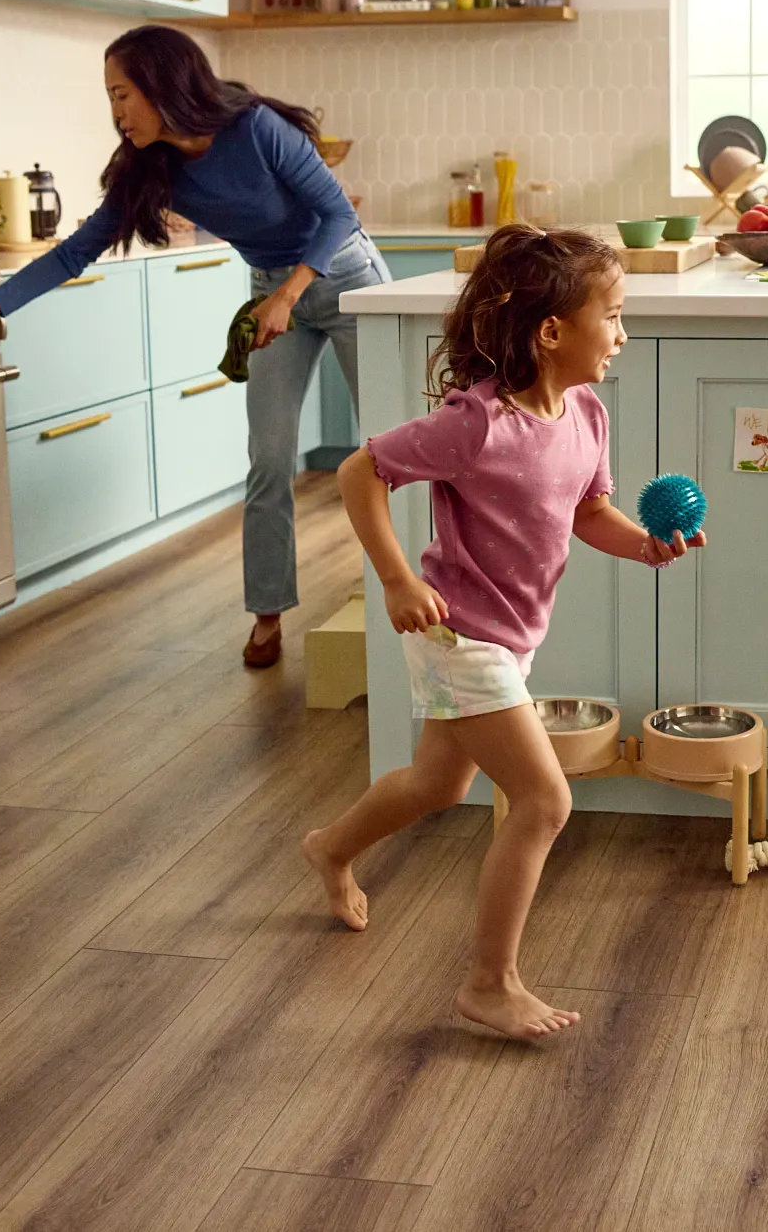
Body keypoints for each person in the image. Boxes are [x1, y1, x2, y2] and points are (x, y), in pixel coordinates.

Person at [301, 225, 703, 1039]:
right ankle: (491, 981)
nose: (624, 335)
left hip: (512, 633)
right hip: (458, 632)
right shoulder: (475, 423)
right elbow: (359, 471)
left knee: (439, 785)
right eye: (614, 316)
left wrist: (645, 545)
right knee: (543, 799)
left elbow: (588, 511)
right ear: (552, 331)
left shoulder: (585, 412)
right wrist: (397, 580)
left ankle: (329, 848)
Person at [0, 25, 386, 669]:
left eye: (122, 94)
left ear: (164, 86)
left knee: (388, 451)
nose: (115, 112)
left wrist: (288, 295)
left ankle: (405, 590)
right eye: (109, 96)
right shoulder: (151, 166)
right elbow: (74, 252)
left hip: (344, 278)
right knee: (268, 459)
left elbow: (340, 216)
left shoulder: (256, 129)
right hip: (271, 290)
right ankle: (267, 614)